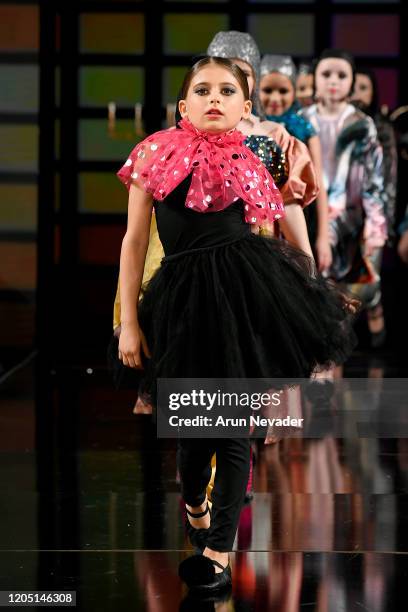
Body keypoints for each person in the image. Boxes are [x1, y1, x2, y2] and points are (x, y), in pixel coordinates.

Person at [115, 56, 357, 594]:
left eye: (228, 91)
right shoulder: (154, 153)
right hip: (179, 300)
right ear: (184, 105)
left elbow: (272, 230)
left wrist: (309, 289)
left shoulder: (252, 160)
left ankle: (220, 547)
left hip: (242, 296)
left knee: (232, 426)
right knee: (193, 427)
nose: (214, 99)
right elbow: (134, 243)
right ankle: (196, 502)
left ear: (245, 108)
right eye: (202, 90)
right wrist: (129, 321)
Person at [303, 50, 387, 344]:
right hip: (313, 211)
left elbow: (375, 179)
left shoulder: (362, 124)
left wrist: (375, 225)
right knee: (316, 281)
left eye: (341, 75)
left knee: (347, 286)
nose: (333, 82)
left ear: (352, 82)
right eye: (326, 74)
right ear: (314, 80)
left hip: (351, 212)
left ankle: (339, 349)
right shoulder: (303, 119)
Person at [259, 54, 331, 272]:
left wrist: (323, 236)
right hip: (261, 219)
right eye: (268, 90)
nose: (275, 98)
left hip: (299, 215)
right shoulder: (250, 125)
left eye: (283, 91)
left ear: (294, 92)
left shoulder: (304, 130)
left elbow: (318, 183)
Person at [350, 67, 398, 346]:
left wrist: (384, 222)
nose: (357, 93)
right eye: (354, 86)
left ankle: (375, 303)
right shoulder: (339, 123)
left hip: (373, 211)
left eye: (364, 87)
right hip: (342, 210)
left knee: (369, 271)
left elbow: (389, 179)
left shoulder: (381, 129)